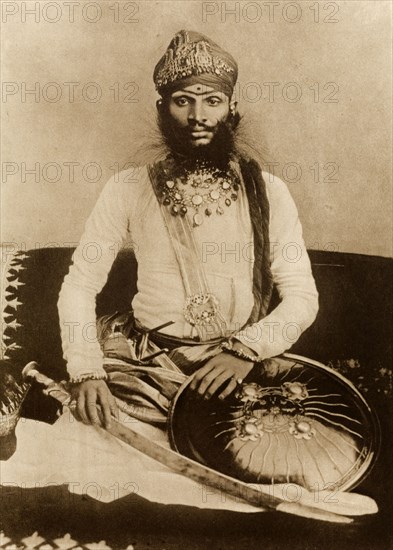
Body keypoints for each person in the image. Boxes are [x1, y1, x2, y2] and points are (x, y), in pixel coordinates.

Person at [57, 29, 319, 431]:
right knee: (105, 446)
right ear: (163, 108)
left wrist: (246, 351)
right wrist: (86, 371)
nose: (198, 116)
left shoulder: (269, 191)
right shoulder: (127, 187)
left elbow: (301, 296)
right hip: (144, 370)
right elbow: (80, 284)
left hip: (233, 369)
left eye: (212, 101)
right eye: (184, 101)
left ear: (231, 109)